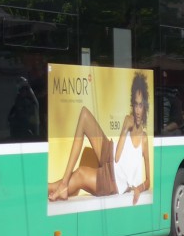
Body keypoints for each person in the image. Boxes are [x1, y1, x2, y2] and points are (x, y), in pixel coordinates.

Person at [47, 72, 152, 205]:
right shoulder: (128, 122)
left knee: (80, 173)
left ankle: (52, 187)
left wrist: (139, 188)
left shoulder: (144, 140)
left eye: (141, 105)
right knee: (84, 114)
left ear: (145, 107)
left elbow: (148, 180)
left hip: (111, 181)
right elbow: (117, 156)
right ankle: (63, 184)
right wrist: (125, 129)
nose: (137, 110)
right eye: (135, 105)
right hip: (109, 151)